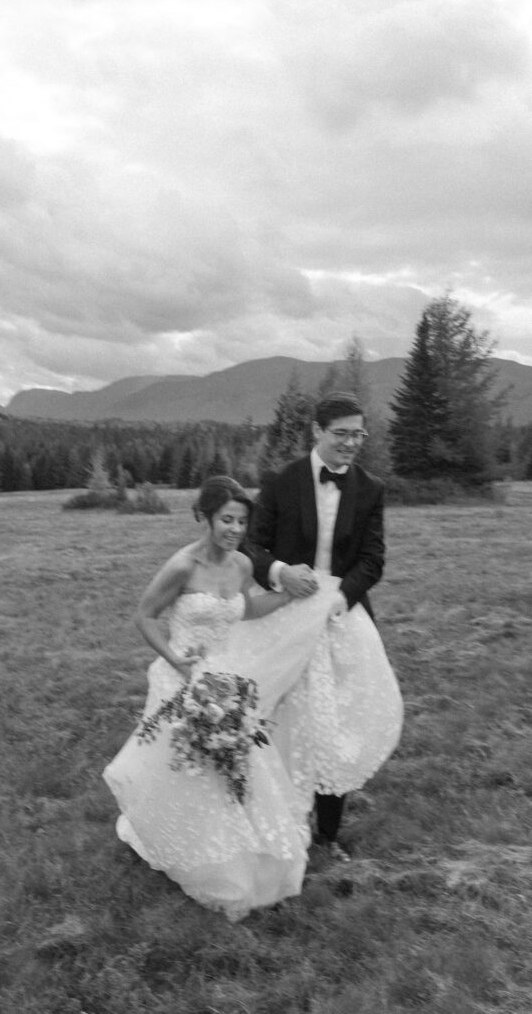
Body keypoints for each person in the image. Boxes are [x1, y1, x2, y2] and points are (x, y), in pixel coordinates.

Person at [103, 476, 340, 921]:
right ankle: (193, 852)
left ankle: (244, 856)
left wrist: (288, 597)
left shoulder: (242, 566)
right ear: (205, 517)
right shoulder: (182, 566)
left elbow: (247, 610)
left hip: (230, 683)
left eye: (241, 522)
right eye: (226, 520)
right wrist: (176, 659)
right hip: (183, 682)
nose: (234, 529)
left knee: (240, 770)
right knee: (189, 770)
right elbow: (145, 615)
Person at [246, 390, 403, 861]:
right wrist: (280, 573)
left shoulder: (371, 489)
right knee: (279, 720)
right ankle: (276, 821)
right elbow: (251, 547)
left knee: (334, 724)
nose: (352, 443)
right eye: (342, 434)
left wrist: (339, 599)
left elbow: (374, 559)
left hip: (341, 619)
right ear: (316, 431)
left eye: (359, 434)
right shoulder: (280, 482)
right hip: (282, 616)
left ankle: (327, 837)